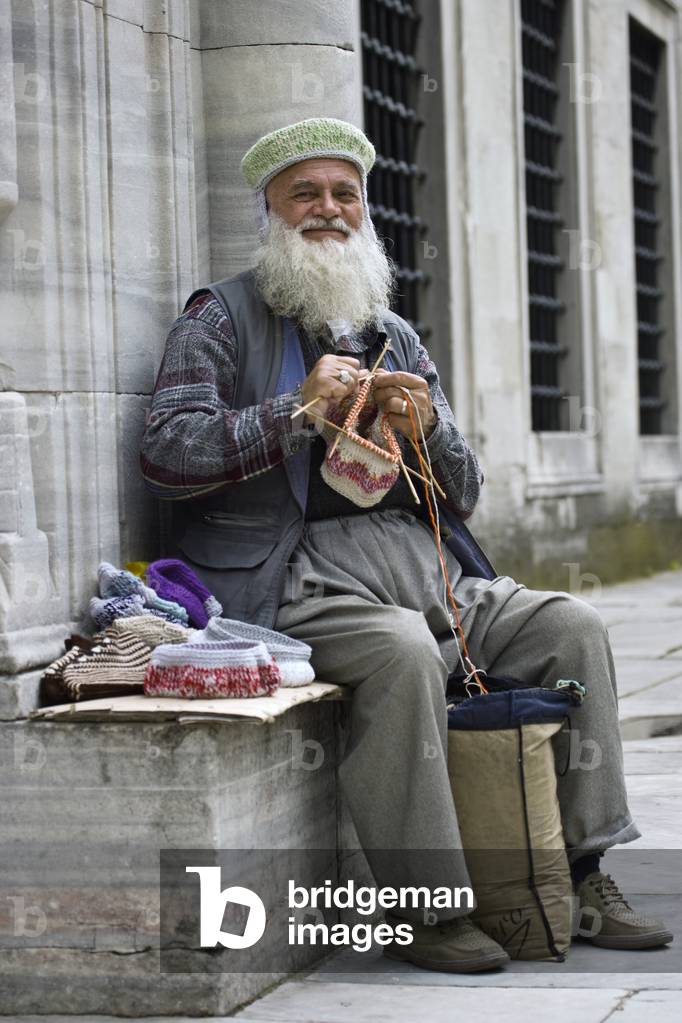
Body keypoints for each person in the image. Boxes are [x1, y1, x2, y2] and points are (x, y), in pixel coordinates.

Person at [140, 117, 673, 972]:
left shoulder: (392, 329)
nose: (328, 210)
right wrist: (293, 412)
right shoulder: (220, 317)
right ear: (269, 210)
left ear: (364, 211)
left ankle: (582, 869)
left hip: (425, 565)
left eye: (344, 194)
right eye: (305, 193)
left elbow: (466, 490)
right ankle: (428, 905)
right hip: (299, 579)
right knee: (399, 653)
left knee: (572, 623)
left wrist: (427, 432)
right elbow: (166, 452)